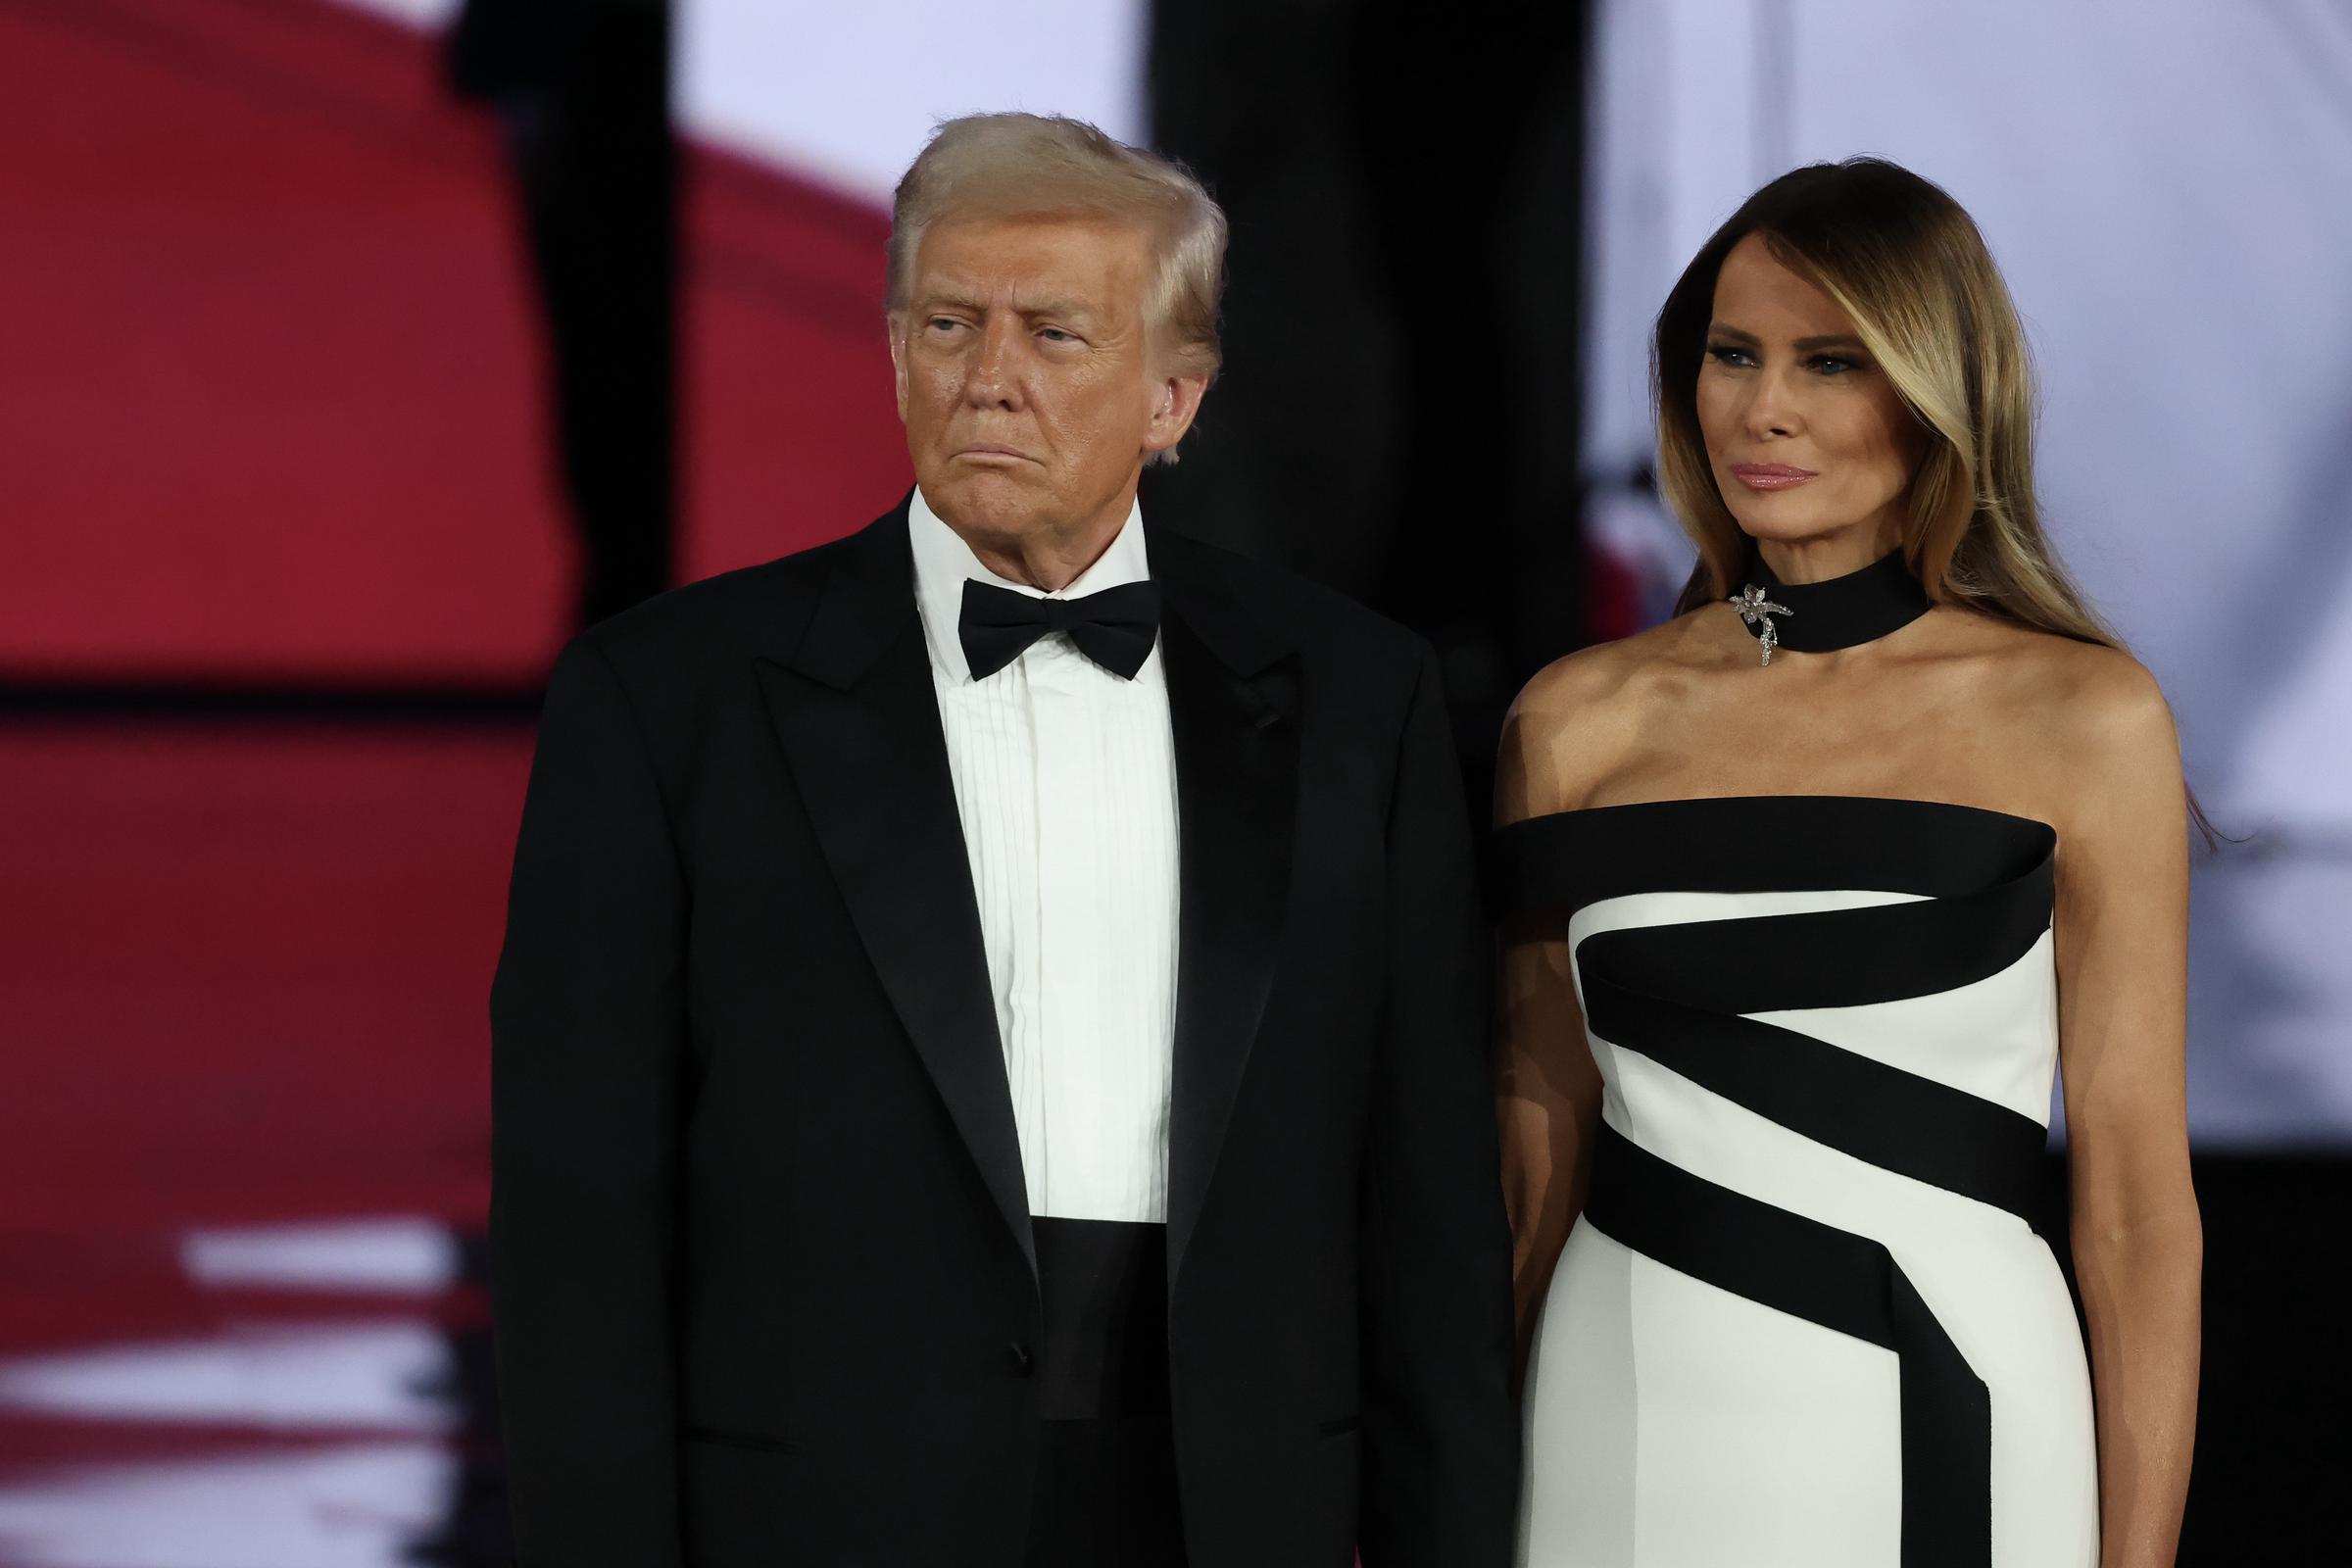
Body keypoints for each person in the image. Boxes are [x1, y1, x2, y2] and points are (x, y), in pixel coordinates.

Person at [490, 112, 1518, 1567]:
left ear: (1175, 398)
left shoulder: (1358, 699)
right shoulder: (667, 704)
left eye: (1053, 335)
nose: (988, 382)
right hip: (822, 1512)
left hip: (1232, 1505)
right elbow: (573, 1230)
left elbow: (1429, 1224)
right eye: (948, 324)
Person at [1494, 158, 2200, 1566]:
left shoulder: (2083, 714)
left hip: (1953, 1391)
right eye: (1733, 355)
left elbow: (2132, 1211)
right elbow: (1536, 1134)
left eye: (1831, 362)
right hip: (1620, 1398)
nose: (1765, 408)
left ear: (1938, 390)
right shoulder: (1577, 717)